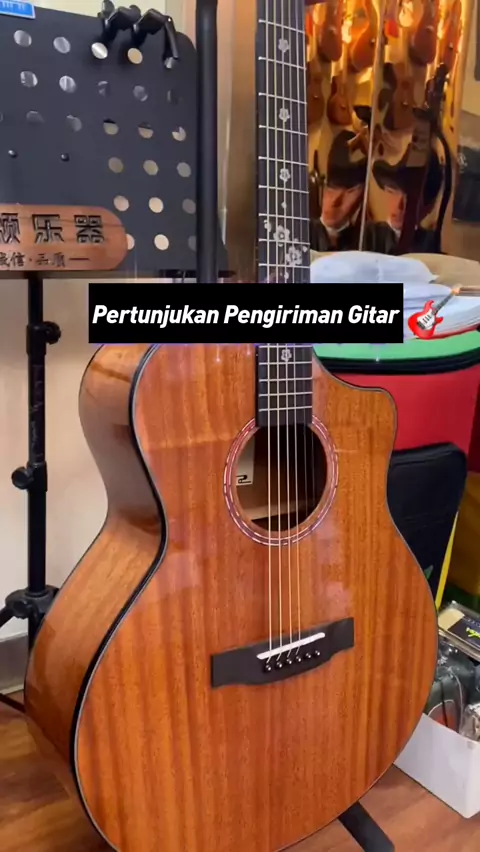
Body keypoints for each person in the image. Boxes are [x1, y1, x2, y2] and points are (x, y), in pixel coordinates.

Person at [371, 148, 444, 254]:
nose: (399, 205)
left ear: (428, 205)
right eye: (391, 192)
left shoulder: (432, 247)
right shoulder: (368, 238)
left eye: (409, 198)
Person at [310, 129, 367, 252]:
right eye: (331, 188)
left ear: (361, 196)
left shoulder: (365, 244)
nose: (335, 201)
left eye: (349, 192)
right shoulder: (298, 232)